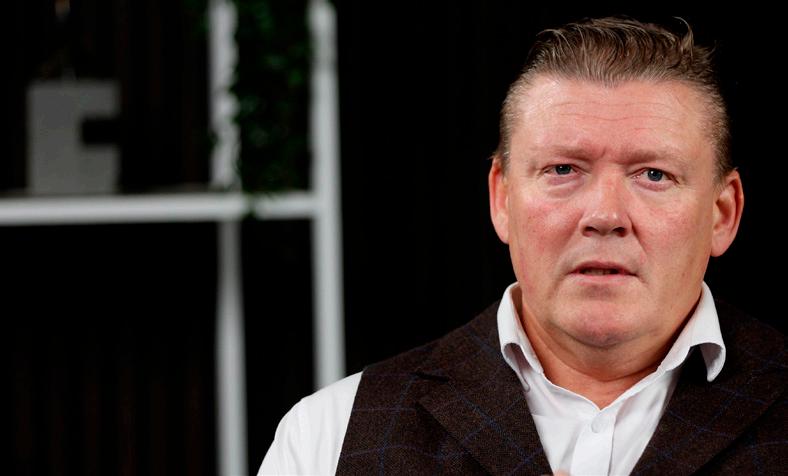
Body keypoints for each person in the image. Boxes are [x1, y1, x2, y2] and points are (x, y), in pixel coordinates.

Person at [260, 16, 785, 475]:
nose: (605, 216)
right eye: (563, 169)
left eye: (653, 174)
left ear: (722, 214)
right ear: (502, 199)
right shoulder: (326, 435)